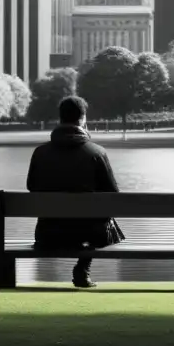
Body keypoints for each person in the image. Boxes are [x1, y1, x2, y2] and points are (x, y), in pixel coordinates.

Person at [26, 95, 125, 288]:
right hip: (90, 234)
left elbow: (32, 187)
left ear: (60, 118)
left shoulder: (40, 153)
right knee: (103, 218)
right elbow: (113, 194)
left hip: (49, 233)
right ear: (83, 119)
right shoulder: (97, 153)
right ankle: (83, 268)